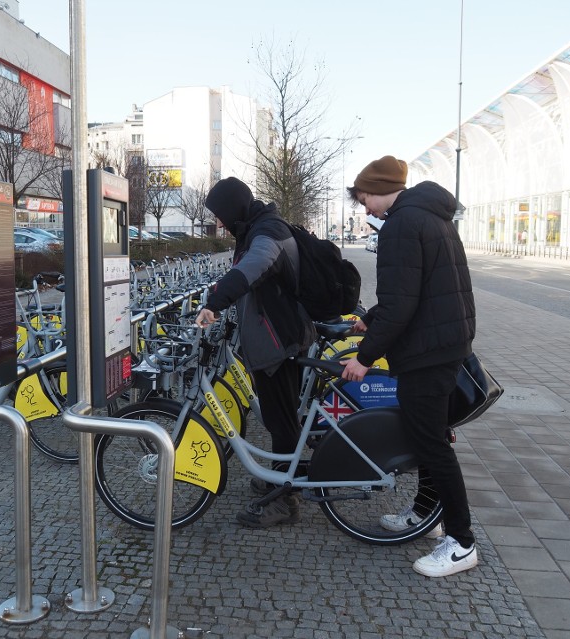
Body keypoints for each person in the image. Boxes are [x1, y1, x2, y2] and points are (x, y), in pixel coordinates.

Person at [339, 155, 478, 578]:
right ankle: (426, 516)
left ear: (381, 190)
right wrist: (374, 318)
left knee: (433, 444)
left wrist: (364, 357)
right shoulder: (431, 216)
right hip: (442, 343)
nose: (365, 209)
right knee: (427, 438)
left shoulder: (401, 224)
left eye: (365, 199)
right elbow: (415, 291)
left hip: (427, 351)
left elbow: (403, 302)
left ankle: (462, 542)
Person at [194, 177, 315, 528]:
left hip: (279, 342)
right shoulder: (256, 228)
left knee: (282, 421)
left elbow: (251, 269)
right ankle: (279, 477)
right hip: (274, 338)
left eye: (220, 214)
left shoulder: (267, 233)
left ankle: (284, 502)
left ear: (233, 208)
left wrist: (215, 303)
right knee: (280, 418)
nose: (219, 222)